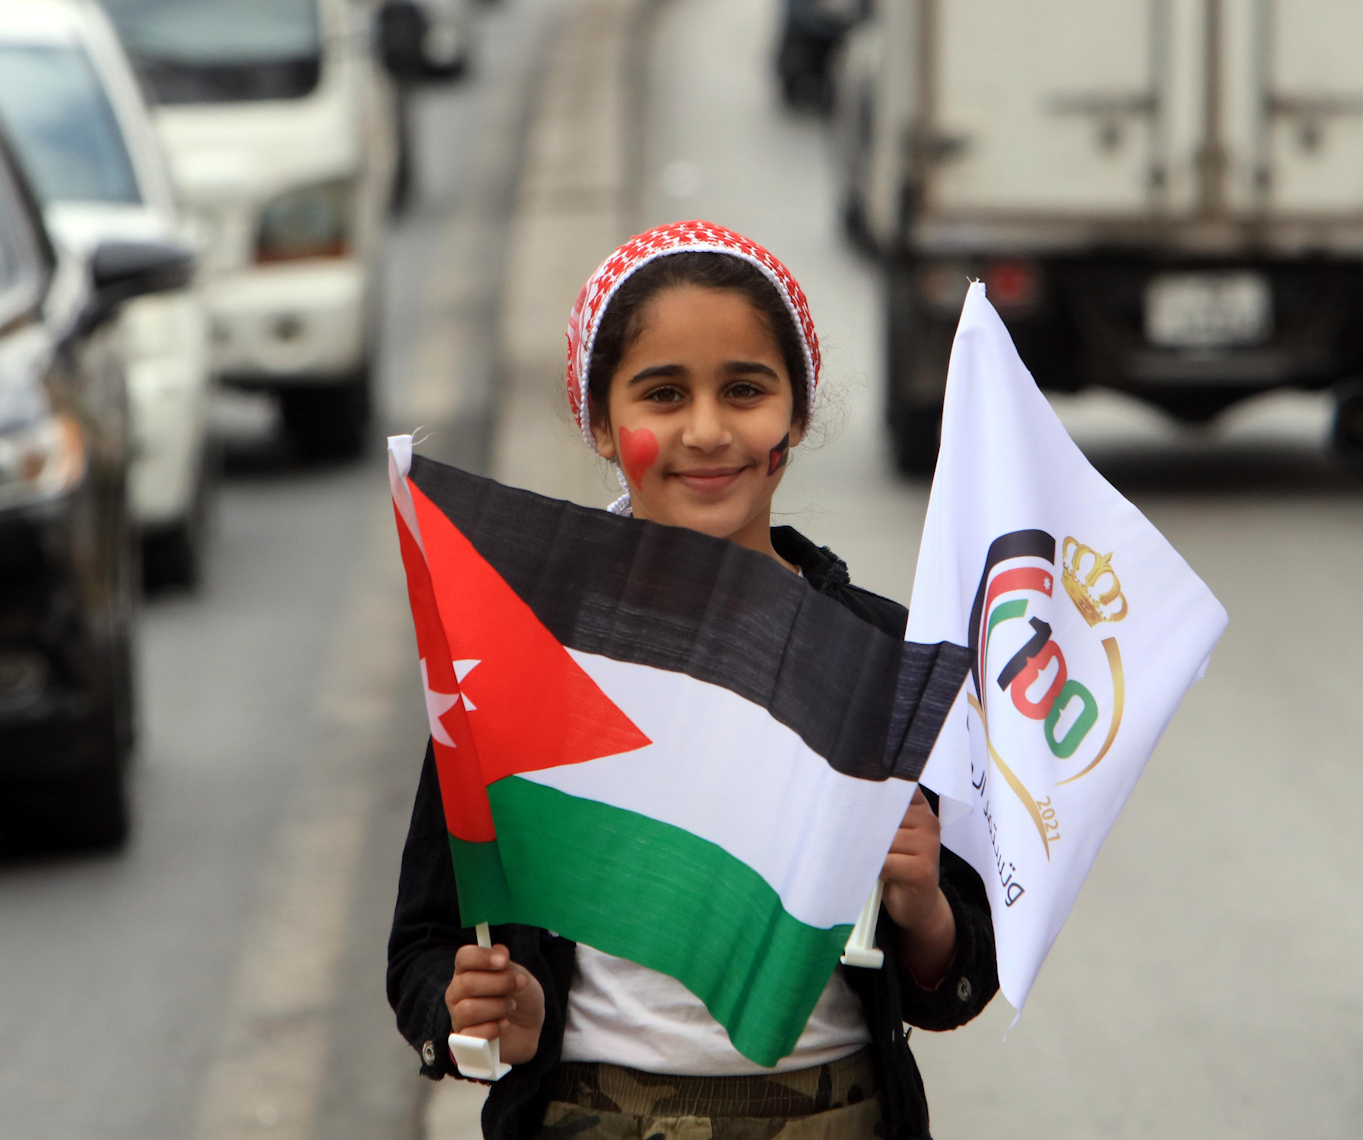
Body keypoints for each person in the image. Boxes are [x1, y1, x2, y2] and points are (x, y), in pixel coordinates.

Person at [387, 221, 998, 1139]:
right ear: (599, 422)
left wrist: (923, 906)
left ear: (796, 415)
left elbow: (955, 981)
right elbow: (426, 943)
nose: (707, 431)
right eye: (663, 394)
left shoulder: (874, 655)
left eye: (745, 390)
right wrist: (477, 1016)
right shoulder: (522, 657)